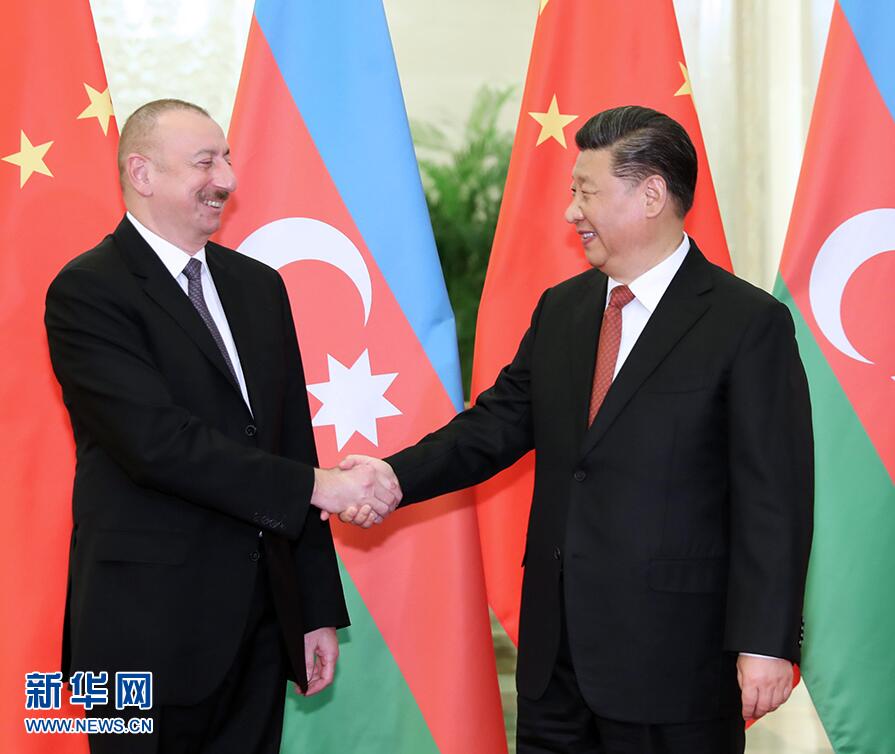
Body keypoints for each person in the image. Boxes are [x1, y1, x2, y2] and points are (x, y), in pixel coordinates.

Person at [338, 106, 814, 754]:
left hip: (676, 663)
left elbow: (774, 499)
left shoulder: (745, 323)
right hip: (555, 664)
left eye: (586, 191)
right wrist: (392, 476)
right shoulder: (563, 309)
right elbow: (495, 424)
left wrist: (765, 642)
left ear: (651, 195)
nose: (571, 211)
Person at [44, 99, 398, 753]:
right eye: (205, 162)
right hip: (138, 632)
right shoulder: (88, 290)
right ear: (142, 173)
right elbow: (156, 444)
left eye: (227, 159)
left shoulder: (258, 286)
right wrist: (318, 486)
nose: (227, 179)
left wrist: (313, 610)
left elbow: (291, 441)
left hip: (258, 626)